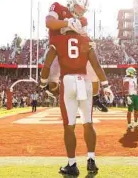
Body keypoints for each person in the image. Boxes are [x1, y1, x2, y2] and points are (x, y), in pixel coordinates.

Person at [40, 33, 113, 176]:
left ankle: (72, 164)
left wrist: (43, 83)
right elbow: (96, 65)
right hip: (84, 81)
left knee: (69, 126)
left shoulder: (58, 40)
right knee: (88, 123)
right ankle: (91, 160)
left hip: (67, 81)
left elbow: (47, 63)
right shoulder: (85, 40)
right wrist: (106, 85)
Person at [45, 0, 107, 112]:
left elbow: (82, 36)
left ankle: (95, 98)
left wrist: (90, 41)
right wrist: (67, 23)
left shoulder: (82, 20)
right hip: (58, 51)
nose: (80, 11)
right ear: (73, 3)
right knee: (52, 85)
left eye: (83, 10)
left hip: (75, 52)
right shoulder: (58, 7)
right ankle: (58, 93)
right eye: (79, 7)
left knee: (93, 71)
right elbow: (49, 23)